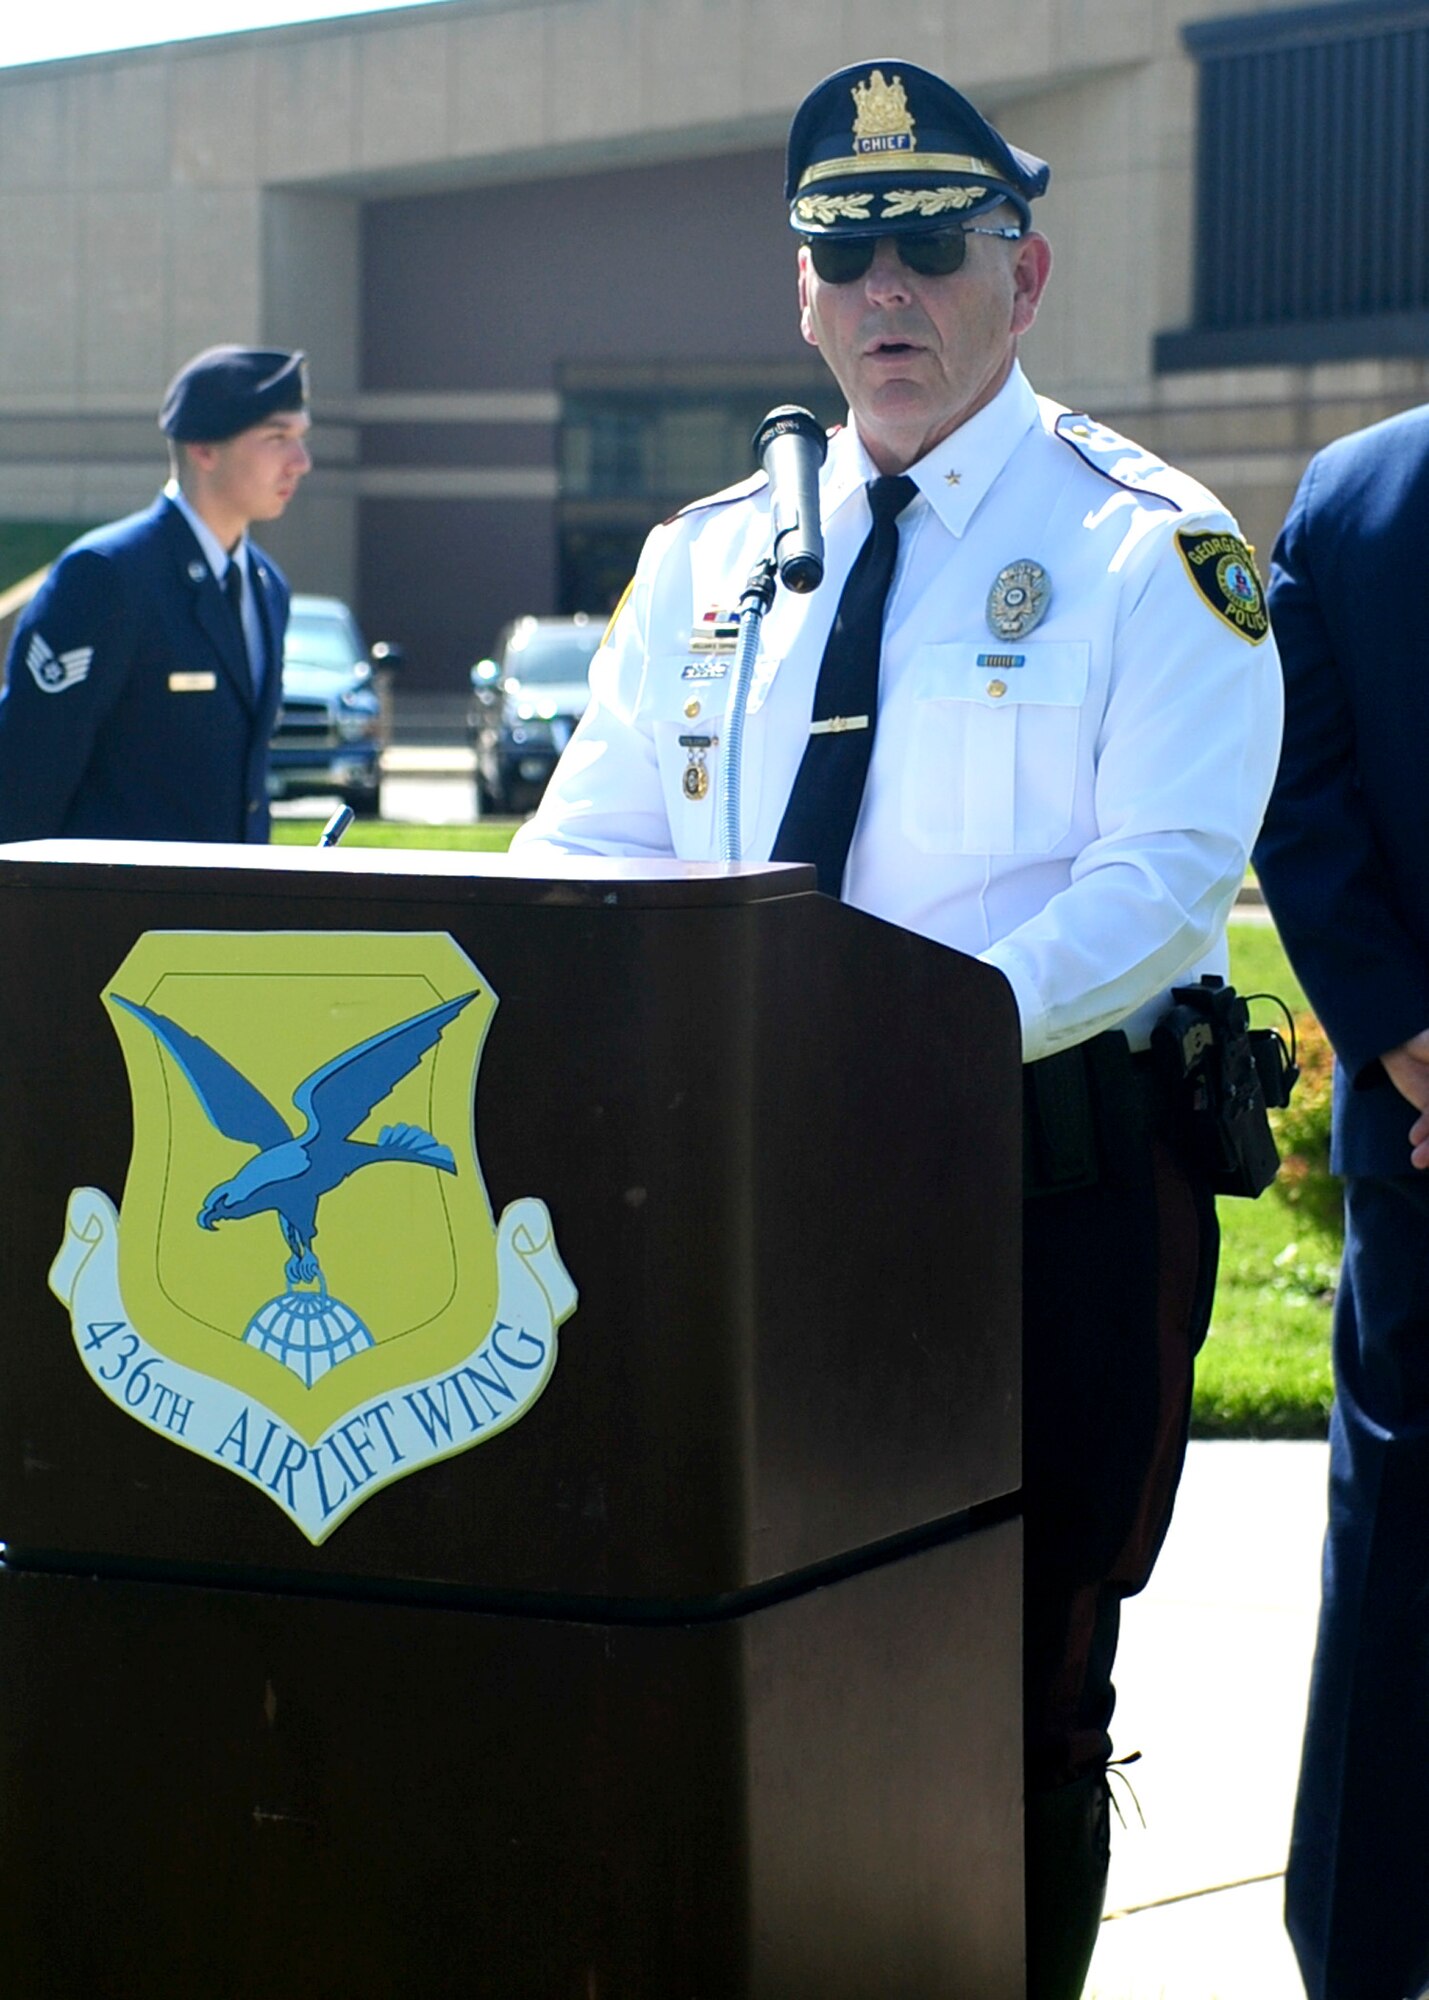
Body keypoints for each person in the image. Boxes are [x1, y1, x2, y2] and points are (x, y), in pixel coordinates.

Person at [515, 60, 1283, 1996]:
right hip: (739, 1229)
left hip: (1034, 1218)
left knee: (1012, 1698)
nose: (886, 295)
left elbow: (1162, 881)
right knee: (742, 1658)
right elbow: (584, 841)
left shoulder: (1143, 550)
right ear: (798, 292)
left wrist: (886, 1049)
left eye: (929, 249)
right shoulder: (708, 564)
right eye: (844, 254)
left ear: (1021, 279)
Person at [1254, 407, 1429, 2000]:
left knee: (1392, 1572)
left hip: (1418, 1140)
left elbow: (1296, 805)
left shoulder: (1349, 494)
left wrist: (1396, 1032)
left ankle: (1360, 1958)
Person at [0, 344, 311, 844]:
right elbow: (27, 780)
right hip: (113, 914)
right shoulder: (107, 575)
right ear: (203, 449)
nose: (301, 461)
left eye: (301, 438)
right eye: (277, 438)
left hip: (224, 912)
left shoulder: (265, 585)